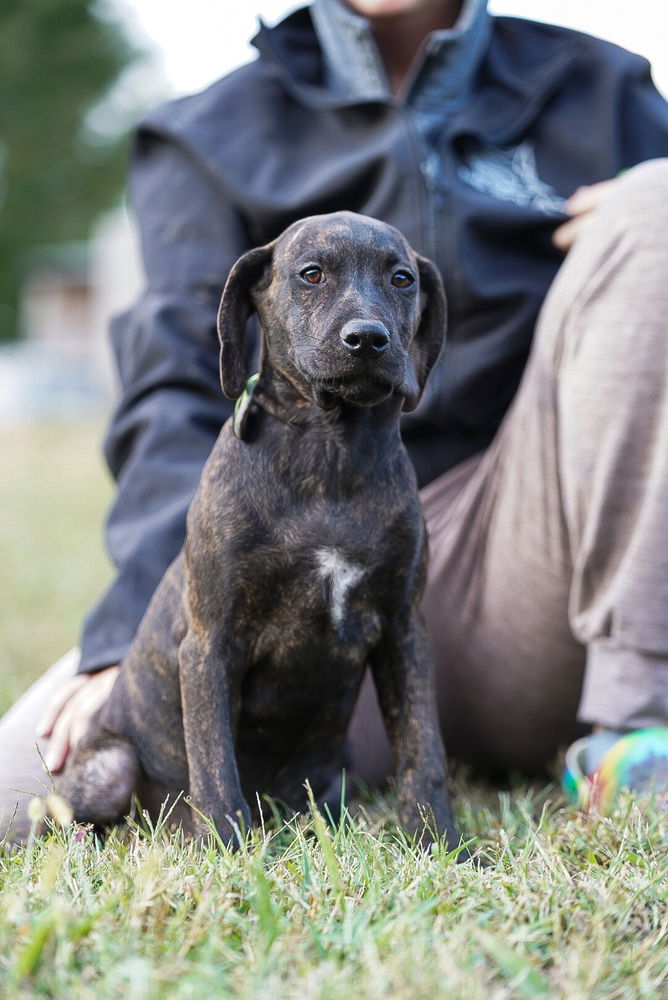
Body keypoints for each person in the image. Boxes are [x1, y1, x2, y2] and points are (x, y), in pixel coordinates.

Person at [3, 0, 668, 839]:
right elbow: (171, 394)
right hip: (268, 602)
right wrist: (125, 630)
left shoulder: (604, 91)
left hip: (529, 574)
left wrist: (652, 227)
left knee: (660, 209)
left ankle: (637, 725)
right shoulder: (203, 132)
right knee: (22, 795)